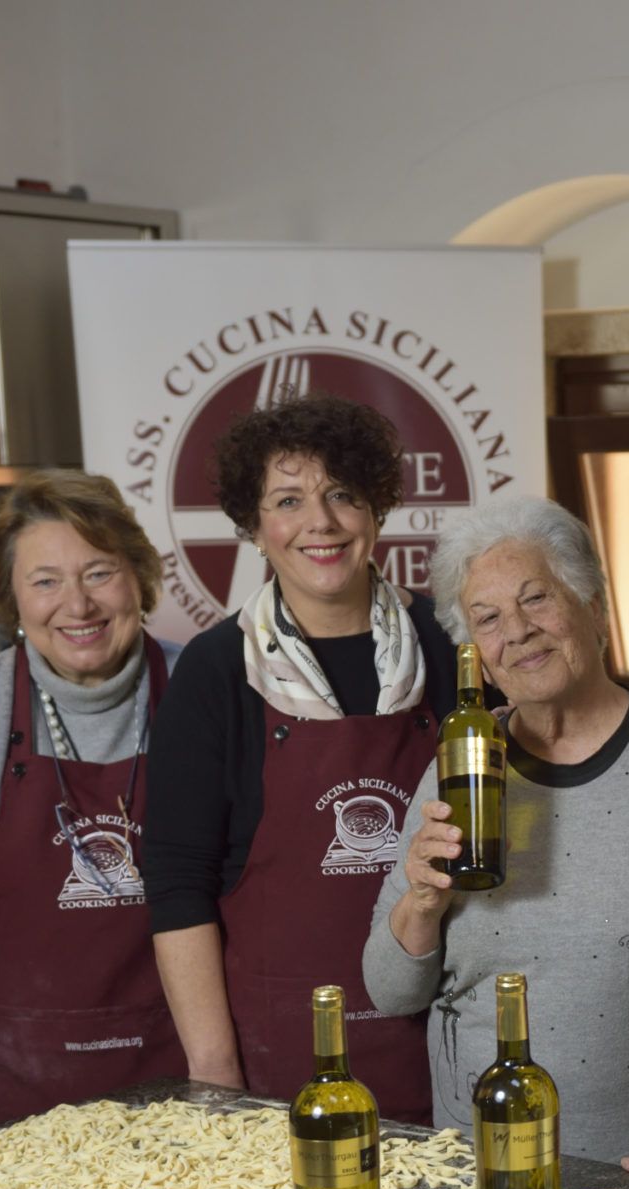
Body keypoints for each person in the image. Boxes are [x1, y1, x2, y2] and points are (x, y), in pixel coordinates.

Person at [365, 497, 629, 1154]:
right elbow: (389, 992)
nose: (518, 632)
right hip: (480, 1167)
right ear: (475, 649)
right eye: (489, 618)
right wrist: (421, 903)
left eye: (537, 599)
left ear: (593, 607)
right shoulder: (461, 766)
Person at [143, 395, 463, 1118]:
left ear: (377, 511)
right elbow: (177, 881)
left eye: (343, 495)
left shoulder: (447, 644)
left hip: (442, 1043)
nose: (320, 523)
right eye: (288, 500)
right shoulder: (217, 669)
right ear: (254, 527)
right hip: (279, 1065)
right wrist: (214, 1071)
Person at [0, 472, 184, 1123]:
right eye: (45, 581)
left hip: (183, 1077)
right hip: (23, 1091)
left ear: (138, 576)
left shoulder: (201, 688)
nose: (78, 605)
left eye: (99, 573)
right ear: (11, 598)